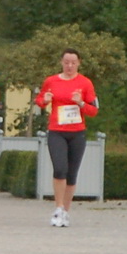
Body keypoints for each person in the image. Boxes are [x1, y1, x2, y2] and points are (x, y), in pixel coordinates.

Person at [34, 49, 99, 227]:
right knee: (60, 169)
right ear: (61, 63)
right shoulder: (51, 81)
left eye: (73, 62)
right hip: (57, 131)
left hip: (77, 132)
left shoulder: (85, 83)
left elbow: (93, 110)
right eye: (66, 62)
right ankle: (58, 208)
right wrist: (45, 100)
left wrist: (80, 102)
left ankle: (66, 211)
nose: (69, 66)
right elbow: (39, 100)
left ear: (79, 63)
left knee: (71, 174)